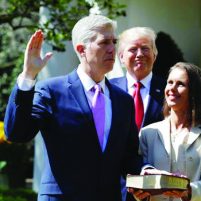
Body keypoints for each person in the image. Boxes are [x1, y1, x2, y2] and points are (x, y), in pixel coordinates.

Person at [4, 14, 141, 201]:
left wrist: (148, 172)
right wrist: (28, 76)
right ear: (81, 49)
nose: (112, 49)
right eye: (104, 43)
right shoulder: (52, 91)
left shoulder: (123, 100)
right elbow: (17, 133)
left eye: (114, 42)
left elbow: (128, 156)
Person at [130, 62, 201, 201]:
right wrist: (140, 193)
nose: (172, 89)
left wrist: (188, 191)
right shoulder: (147, 133)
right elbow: (141, 174)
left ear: (194, 92)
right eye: (170, 83)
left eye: (180, 84)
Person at [110, 27, 166, 131]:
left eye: (145, 48)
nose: (140, 54)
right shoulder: (108, 88)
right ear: (121, 57)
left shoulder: (168, 89)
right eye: (133, 49)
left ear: (154, 55)